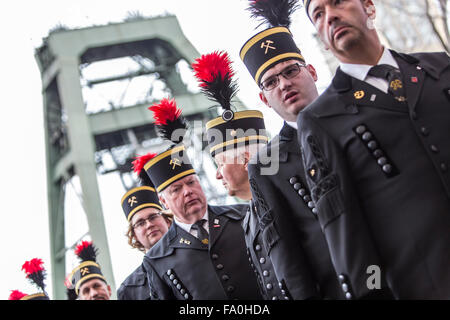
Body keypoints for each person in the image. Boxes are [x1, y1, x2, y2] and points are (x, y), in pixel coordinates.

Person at [297, 0, 450, 299]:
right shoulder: (320, 121)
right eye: (318, 13)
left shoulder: (440, 68)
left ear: (369, 7)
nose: (330, 15)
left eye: (337, 2)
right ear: (322, 41)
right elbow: (349, 239)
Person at [239, 0, 343, 299]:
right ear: (263, 97)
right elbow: (287, 255)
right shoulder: (265, 166)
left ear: (312, 70)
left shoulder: (356, 115)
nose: (284, 84)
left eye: (291, 71)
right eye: (271, 82)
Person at [193, 50, 291, 300]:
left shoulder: (288, 197)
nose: (216, 175)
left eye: (220, 163)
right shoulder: (248, 218)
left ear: (246, 161)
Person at [141, 98, 262, 300]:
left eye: (191, 182)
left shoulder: (243, 216)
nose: (187, 192)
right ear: (163, 202)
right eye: (176, 189)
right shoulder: (156, 259)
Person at [117, 175, 172, 300]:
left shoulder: (195, 253)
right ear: (134, 235)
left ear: (167, 221)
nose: (149, 225)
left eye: (153, 217)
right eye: (140, 223)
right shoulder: (128, 290)